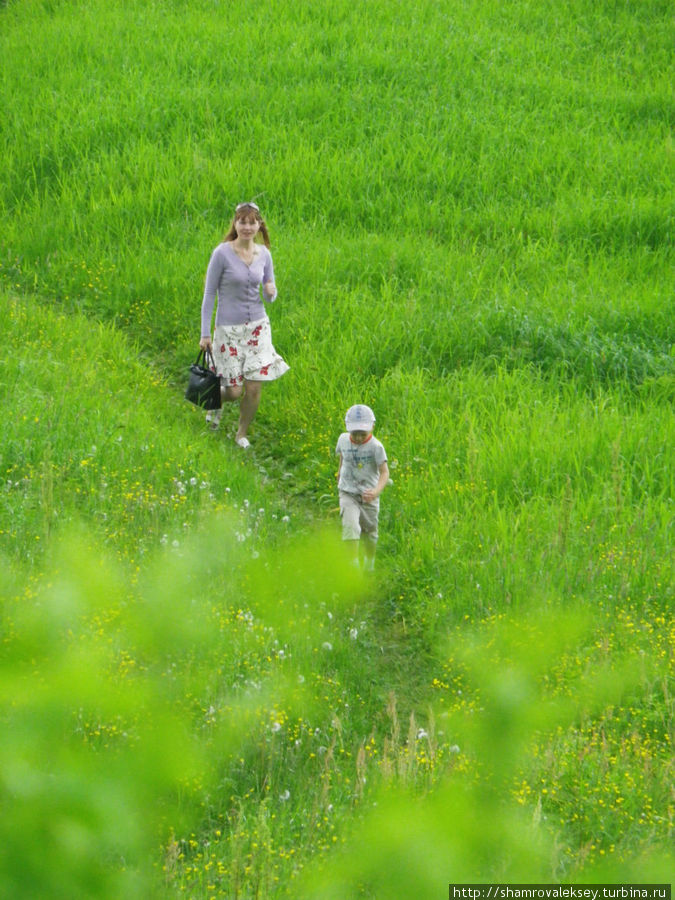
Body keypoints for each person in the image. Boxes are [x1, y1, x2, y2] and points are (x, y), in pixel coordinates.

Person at [199, 201, 289, 448]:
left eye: (252, 222)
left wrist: (272, 291)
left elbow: (269, 293)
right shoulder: (222, 253)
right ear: (235, 224)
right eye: (242, 221)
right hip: (228, 330)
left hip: (258, 328)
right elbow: (209, 294)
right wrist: (205, 333)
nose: (247, 227)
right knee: (234, 390)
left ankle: (241, 433)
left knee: (253, 388)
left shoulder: (264, 255)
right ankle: (215, 400)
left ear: (259, 225)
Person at [335, 404, 389, 571]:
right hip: (348, 493)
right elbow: (343, 456)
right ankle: (353, 566)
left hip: (368, 495)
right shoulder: (343, 439)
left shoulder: (376, 447)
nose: (358, 438)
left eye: (362, 434)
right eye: (354, 433)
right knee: (350, 528)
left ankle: (369, 562)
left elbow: (384, 473)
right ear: (347, 427)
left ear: (372, 427)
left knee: (370, 532)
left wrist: (375, 491)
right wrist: (339, 473)